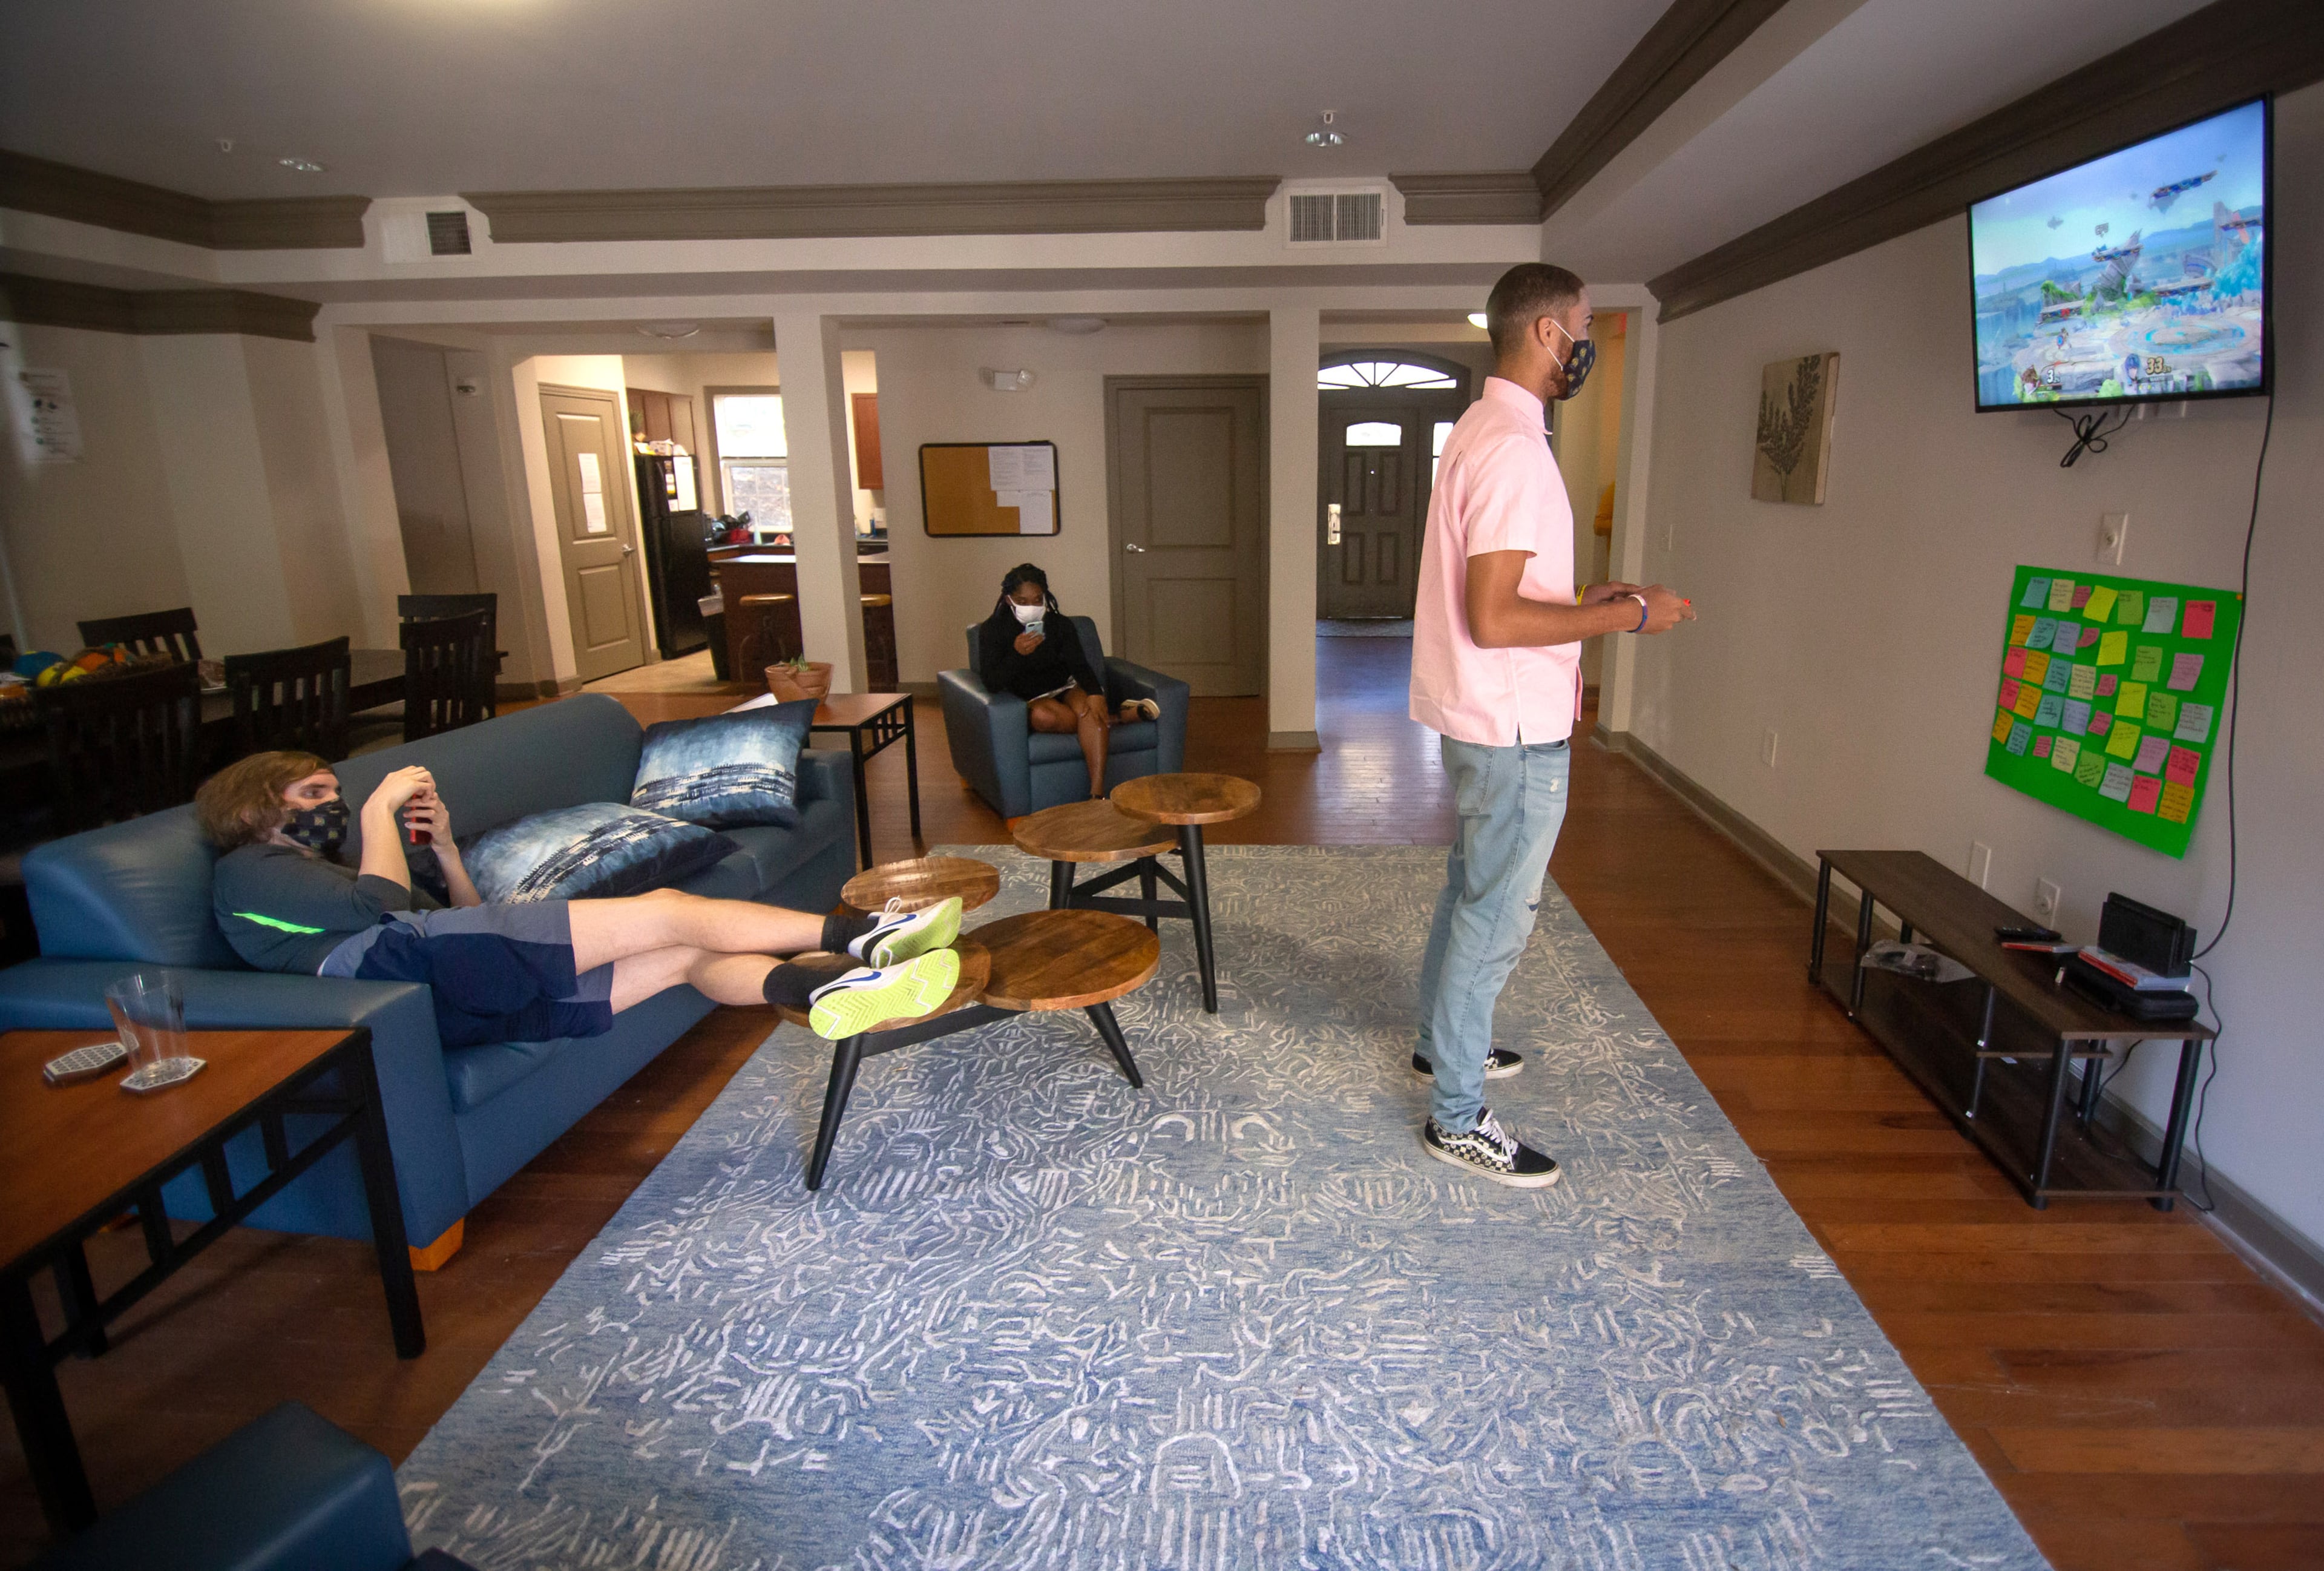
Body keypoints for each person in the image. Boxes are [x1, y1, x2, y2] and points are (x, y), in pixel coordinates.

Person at [1408, 262, 1696, 1187]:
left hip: (1480, 710)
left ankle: (1441, 1044)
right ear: (1544, 333)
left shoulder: (1479, 429)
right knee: (1496, 915)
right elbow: (1494, 617)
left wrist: (1581, 598)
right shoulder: (1517, 449)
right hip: (1513, 725)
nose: (1584, 346)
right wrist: (1629, 614)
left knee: (1470, 890)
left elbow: (1503, 594)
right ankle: (1455, 1114)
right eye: (1580, 328)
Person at [197, 751, 963, 1046]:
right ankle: (861, 937)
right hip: (407, 971)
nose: (329, 803)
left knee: (683, 956)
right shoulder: (247, 868)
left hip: (448, 993)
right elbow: (379, 913)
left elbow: (453, 915)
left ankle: (832, 983)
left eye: (335, 792)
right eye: (313, 793)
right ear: (259, 804)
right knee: (668, 906)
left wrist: (447, 852)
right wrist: (375, 813)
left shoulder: (318, 877)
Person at [976, 563, 1159, 800]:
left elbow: (1079, 665)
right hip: (1031, 698)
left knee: (1089, 710)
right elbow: (991, 682)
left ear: (1045, 597)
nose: (1031, 607)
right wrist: (1016, 654)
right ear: (1009, 600)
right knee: (1047, 717)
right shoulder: (993, 630)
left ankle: (1097, 794)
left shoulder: (1059, 624)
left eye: (1037, 599)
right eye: (1022, 601)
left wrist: (1096, 693)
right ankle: (1118, 718)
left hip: (1065, 687)